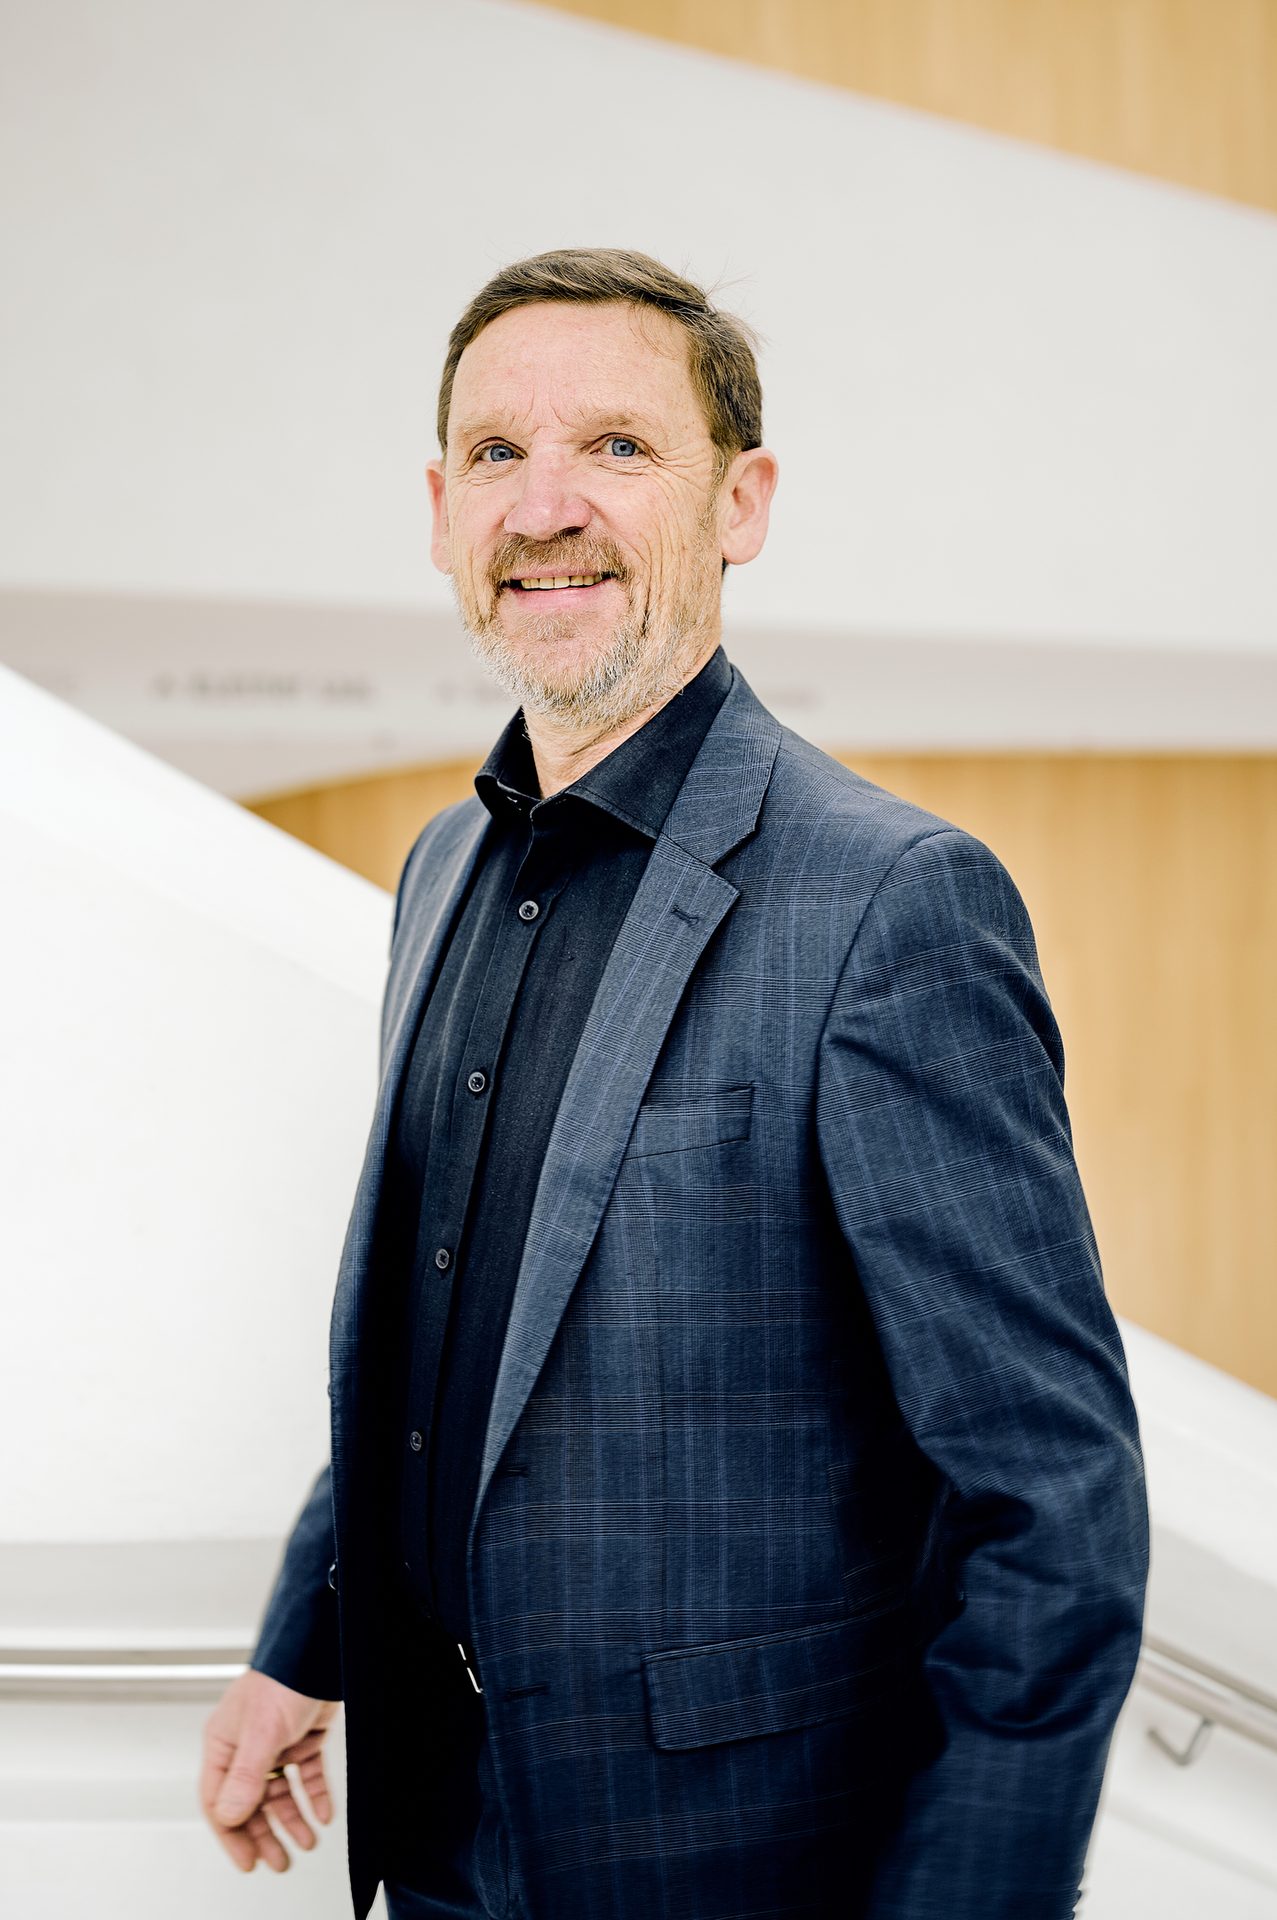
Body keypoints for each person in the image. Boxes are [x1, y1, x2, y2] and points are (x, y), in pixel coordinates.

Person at [200, 248, 1148, 1920]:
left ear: (742, 502)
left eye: (620, 451)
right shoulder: (440, 872)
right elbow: (436, 1352)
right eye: (497, 454)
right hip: (434, 1843)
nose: (545, 505)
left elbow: (1051, 1512)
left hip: (724, 1862)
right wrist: (304, 1646)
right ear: (438, 511)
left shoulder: (888, 903)